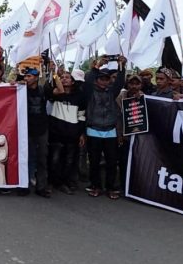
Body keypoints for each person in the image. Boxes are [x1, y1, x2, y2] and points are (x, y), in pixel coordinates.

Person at [83, 57, 126, 199]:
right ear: (96, 80)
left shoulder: (112, 92)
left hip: (110, 131)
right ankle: (95, 186)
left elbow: (119, 82)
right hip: (93, 130)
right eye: (101, 79)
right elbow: (88, 79)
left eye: (107, 79)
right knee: (94, 162)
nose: (104, 81)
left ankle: (110, 188)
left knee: (112, 162)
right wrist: (96, 67)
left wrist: (122, 66)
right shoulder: (89, 91)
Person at [47, 69, 86, 195]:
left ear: (73, 81)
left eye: (67, 77)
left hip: (72, 134)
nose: (64, 79)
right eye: (62, 77)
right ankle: (50, 182)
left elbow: (81, 116)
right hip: (56, 133)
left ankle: (63, 183)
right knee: (54, 159)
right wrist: (54, 73)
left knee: (68, 161)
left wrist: (81, 133)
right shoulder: (56, 93)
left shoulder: (80, 96)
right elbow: (51, 88)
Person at [20, 66, 51, 197]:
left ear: (36, 78)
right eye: (25, 76)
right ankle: (24, 184)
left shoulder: (43, 90)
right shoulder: (21, 90)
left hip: (42, 129)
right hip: (25, 129)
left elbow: (60, 91)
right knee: (25, 157)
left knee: (42, 158)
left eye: (29, 76)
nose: (26, 78)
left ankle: (41, 187)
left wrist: (54, 73)